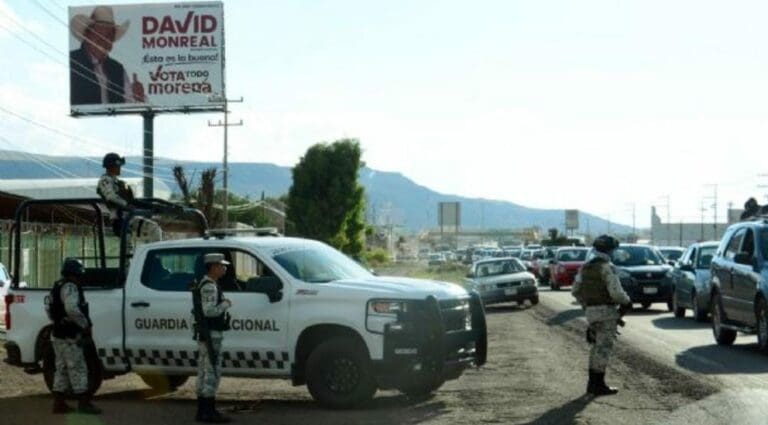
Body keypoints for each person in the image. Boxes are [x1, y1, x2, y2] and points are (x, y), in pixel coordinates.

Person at [571, 235, 631, 397]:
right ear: (610, 250)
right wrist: (627, 302)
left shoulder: (585, 267)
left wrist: (586, 306)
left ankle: (593, 384)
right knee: (603, 348)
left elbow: (575, 290)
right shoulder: (607, 267)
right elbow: (616, 292)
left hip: (591, 312)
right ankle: (598, 385)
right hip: (606, 312)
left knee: (596, 347)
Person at [46, 258, 101, 415]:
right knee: (78, 367)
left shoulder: (57, 285)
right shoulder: (70, 287)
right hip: (70, 335)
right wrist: (85, 325)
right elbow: (71, 309)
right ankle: (84, 403)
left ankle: (59, 403)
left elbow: (49, 308)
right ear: (74, 273)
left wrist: (58, 321)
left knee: (61, 369)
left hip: (58, 334)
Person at [69, 5, 146, 105]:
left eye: (109, 36)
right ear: (87, 35)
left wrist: (139, 98)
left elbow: (130, 105)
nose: (104, 40)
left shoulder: (117, 69)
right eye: (98, 34)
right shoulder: (71, 61)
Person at [192, 253, 233, 423]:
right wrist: (225, 304)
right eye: (221, 265)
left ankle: (203, 411)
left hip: (206, 334)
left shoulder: (206, 283)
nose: (224, 268)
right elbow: (209, 311)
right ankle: (208, 412)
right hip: (211, 335)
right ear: (213, 267)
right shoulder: (209, 286)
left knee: (204, 372)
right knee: (212, 372)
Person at [96, 152, 137, 236]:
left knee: (152, 230)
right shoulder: (105, 180)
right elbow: (111, 197)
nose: (119, 168)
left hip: (127, 217)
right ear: (111, 167)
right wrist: (126, 205)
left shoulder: (117, 182)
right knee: (152, 230)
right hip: (119, 218)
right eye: (117, 166)